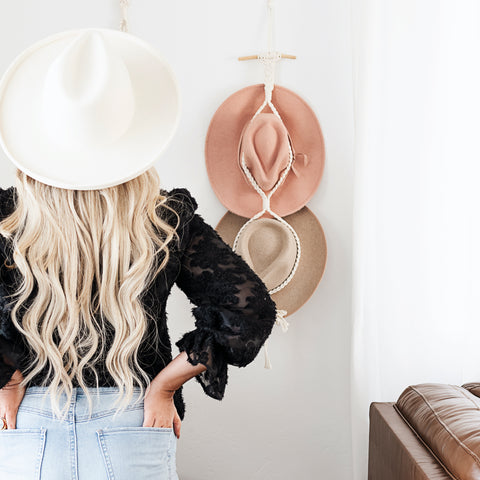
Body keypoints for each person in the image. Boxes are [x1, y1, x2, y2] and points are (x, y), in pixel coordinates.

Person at [0, 167, 277, 479]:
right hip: (134, 419)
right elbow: (249, 312)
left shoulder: (8, 217)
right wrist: (164, 386)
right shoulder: (162, 219)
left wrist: (8, 380)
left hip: (27, 424)